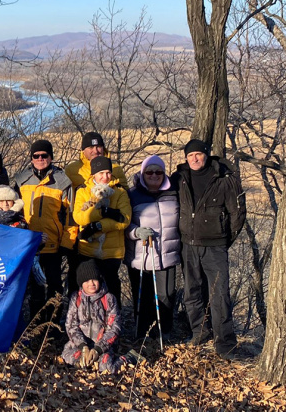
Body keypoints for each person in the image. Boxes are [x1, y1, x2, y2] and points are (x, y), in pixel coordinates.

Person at [171, 139, 246, 360]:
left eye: (198, 154)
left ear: (206, 154)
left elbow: (237, 214)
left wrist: (223, 239)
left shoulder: (224, 179)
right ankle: (200, 333)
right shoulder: (179, 178)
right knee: (192, 292)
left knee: (219, 294)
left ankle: (225, 344)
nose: (194, 159)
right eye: (190, 155)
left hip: (215, 247)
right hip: (187, 245)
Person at [13, 140, 73, 324]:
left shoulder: (62, 181)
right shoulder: (21, 180)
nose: (40, 159)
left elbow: (71, 216)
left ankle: (52, 329)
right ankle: (35, 328)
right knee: (34, 290)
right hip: (30, 244)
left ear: (51, 157)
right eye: (36, 156)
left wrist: (67, 243)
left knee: (55, 289)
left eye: (44, 155)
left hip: (53, 244)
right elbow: (14, 211)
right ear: (31, 158)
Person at [125, 155, 181, 340]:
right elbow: (123, 224)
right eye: (149, 172)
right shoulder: (132, 195)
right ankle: (143, 335)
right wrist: (136, 232)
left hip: (167, 255)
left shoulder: (174, 194)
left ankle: (164, 333)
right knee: (143, 297)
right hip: (141, 255)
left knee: (167, 296)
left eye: (158, 172)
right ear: (143, 174)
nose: (154, 175)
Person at [73, 156, 131, 307]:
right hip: (88, 249)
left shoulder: (120, 192)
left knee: (111, 289)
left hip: (112, 251)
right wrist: (101, 213)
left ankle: (114, 319)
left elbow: (124, 219)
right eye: (101, 173)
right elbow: (79, 217)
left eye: (108, 173)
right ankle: (88, 318)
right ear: (93, 174)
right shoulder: (83, 191)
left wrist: (99, 226)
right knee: (90, 289)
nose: (105, 177)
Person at [62, 260, 135, 374]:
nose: (91, 283)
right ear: (81, 283)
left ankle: (129, 358)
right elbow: (71, 325)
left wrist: (98, 349)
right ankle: (84, 360)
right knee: (69, 359)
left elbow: (114, 328)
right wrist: (83, 347)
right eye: (87, 281)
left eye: (94, 279)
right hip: (80, 345)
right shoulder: (76, 298)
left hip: (103, 345)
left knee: (106, 368)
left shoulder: (109, 298)